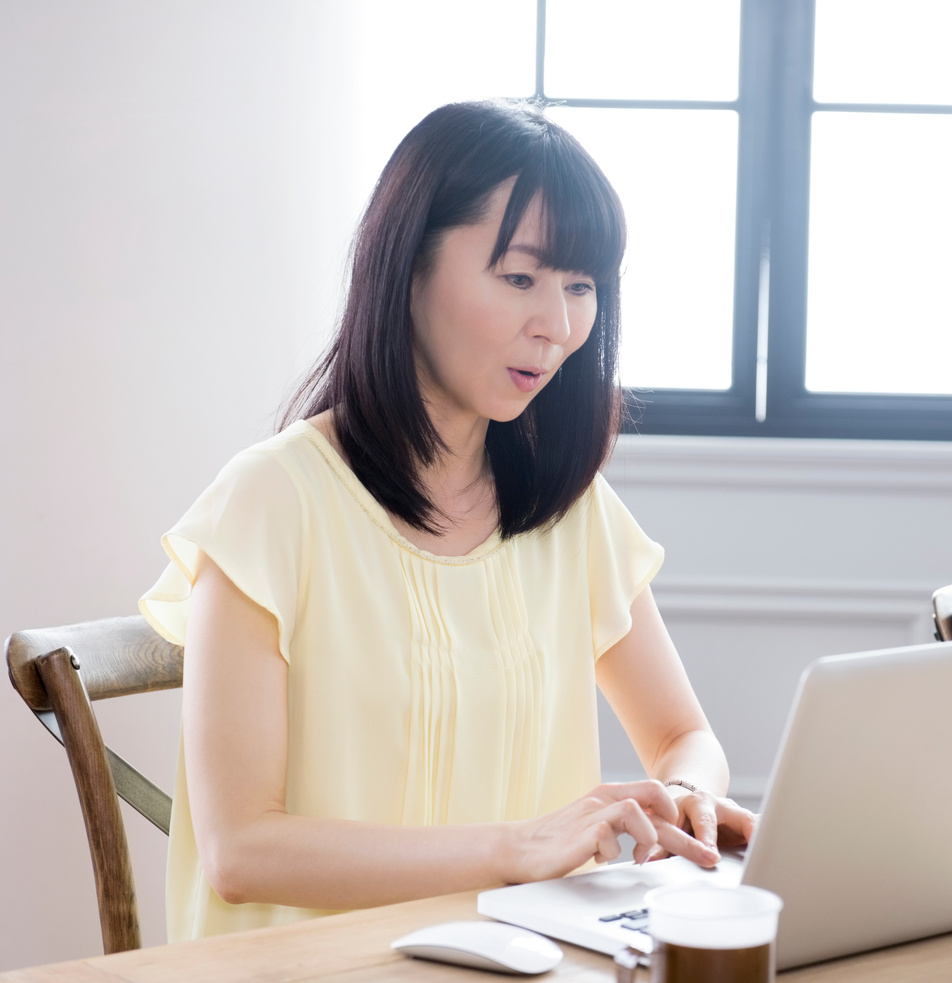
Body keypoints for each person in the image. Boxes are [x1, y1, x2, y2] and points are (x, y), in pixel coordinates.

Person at [139, 99, 755, 943]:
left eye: (581, 286)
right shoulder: (272, 501)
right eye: (520, 278)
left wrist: (684, 791)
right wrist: (520, 845)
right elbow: (241, 850)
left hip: (525, 958)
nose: (560, 325)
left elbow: (684, 733)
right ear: (409, 265)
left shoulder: (566, 510)